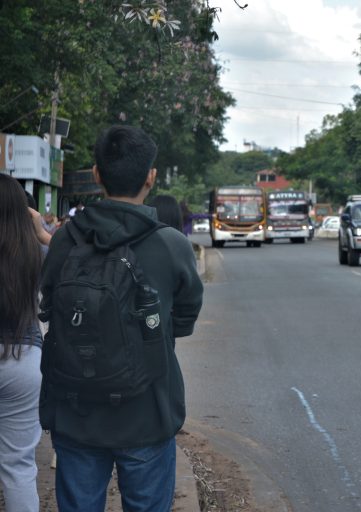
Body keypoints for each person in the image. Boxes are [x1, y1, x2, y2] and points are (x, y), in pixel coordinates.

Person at [39, 125, 204, 511]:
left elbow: (50, 301)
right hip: (147, 411)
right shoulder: (170, 244)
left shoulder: (65, 239)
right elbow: (185, 317)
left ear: (96, 175)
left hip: (75, 410)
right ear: (151, 176)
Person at [0, 173, 51, 512]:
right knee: (18, 468)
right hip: (23, 359)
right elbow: (77, 260)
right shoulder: (37, 252)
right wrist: (43, 229)